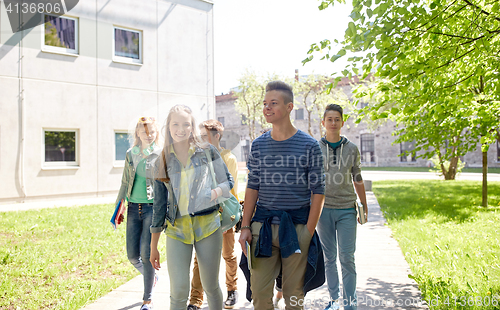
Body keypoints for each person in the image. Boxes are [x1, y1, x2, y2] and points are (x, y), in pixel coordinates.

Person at [238, 81, 326, 310]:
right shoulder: (257, 146)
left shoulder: (309, 146)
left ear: (289, 107)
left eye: (273, 103)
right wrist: (245, 226)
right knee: (259, 294)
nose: (267, 108)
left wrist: (308, 231)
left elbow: (319, 191)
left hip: (297, 228)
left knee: (294, 296)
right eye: (265, 103)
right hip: (262, 227)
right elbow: (252, 186)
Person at [149, 105, 234, 310]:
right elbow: (159, 205)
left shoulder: (206, 150)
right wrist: (153, 246)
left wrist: (212, 194)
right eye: (175, 124)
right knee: (178, 291)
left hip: (207, 227)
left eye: (186, 124)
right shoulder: (161, 159)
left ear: (192, 126)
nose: (181, 129)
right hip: (177, 230)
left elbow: (228, 181)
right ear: (168, 127)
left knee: (211, 286)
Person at [317, 104, 368, 310]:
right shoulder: (315, 147)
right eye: (329, 119)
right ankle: (334, 300)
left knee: (347, 258)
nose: (333, 123)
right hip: (323, 210)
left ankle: (350, 304)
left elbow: (357, 178)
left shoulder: (352, 148)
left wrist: (363, 205)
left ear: (342, 122)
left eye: (337, 119)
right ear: (323, 122)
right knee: (329, 258)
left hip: (347, 208)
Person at [187, 120, 239, 310]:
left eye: (204, 136)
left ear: (216, 136)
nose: (199, 139)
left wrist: (227, 218)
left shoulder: (228, 157)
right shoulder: (197, 154)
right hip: (202, 214)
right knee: (199, 259)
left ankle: (232, 290)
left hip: (224, 211)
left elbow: (231, 188)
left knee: (228, 254)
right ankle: (195, 300)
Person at [115, 116, 161, 310]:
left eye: (151, 131)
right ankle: (152, 278)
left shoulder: (159, 153)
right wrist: (119, 206)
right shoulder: (130, 153)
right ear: (138, 134)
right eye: (144, 132)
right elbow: (125, 181)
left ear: (156, 132)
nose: (148, 135)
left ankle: (147, 300)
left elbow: (164, 184)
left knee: (146, 252)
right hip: (133, 207)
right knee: (133, 256)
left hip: (151, 207)